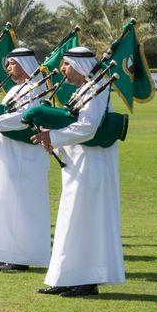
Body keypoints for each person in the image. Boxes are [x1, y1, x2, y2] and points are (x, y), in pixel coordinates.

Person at [34, 47, 124, 297]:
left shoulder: (97, 90)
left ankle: (88, 279)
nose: (61, 70)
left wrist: (52, 135)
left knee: (86, 220)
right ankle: (66, 276)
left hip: (91, 165)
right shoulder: (86, 89)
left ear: (79, 66)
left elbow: (88, 128)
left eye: (65, 65)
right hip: (78, 163)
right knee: (70, 219)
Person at [0, 47, 52, 272]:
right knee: (6, 203)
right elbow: (2, 116)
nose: (8, 68)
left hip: (26, 155)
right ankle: (9, 253)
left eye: (12, 63)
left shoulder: (34, 90)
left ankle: (22, 256)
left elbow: (23, 119)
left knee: (23, 205)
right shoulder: (13, 91)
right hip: (6, 154)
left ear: (25, 64)